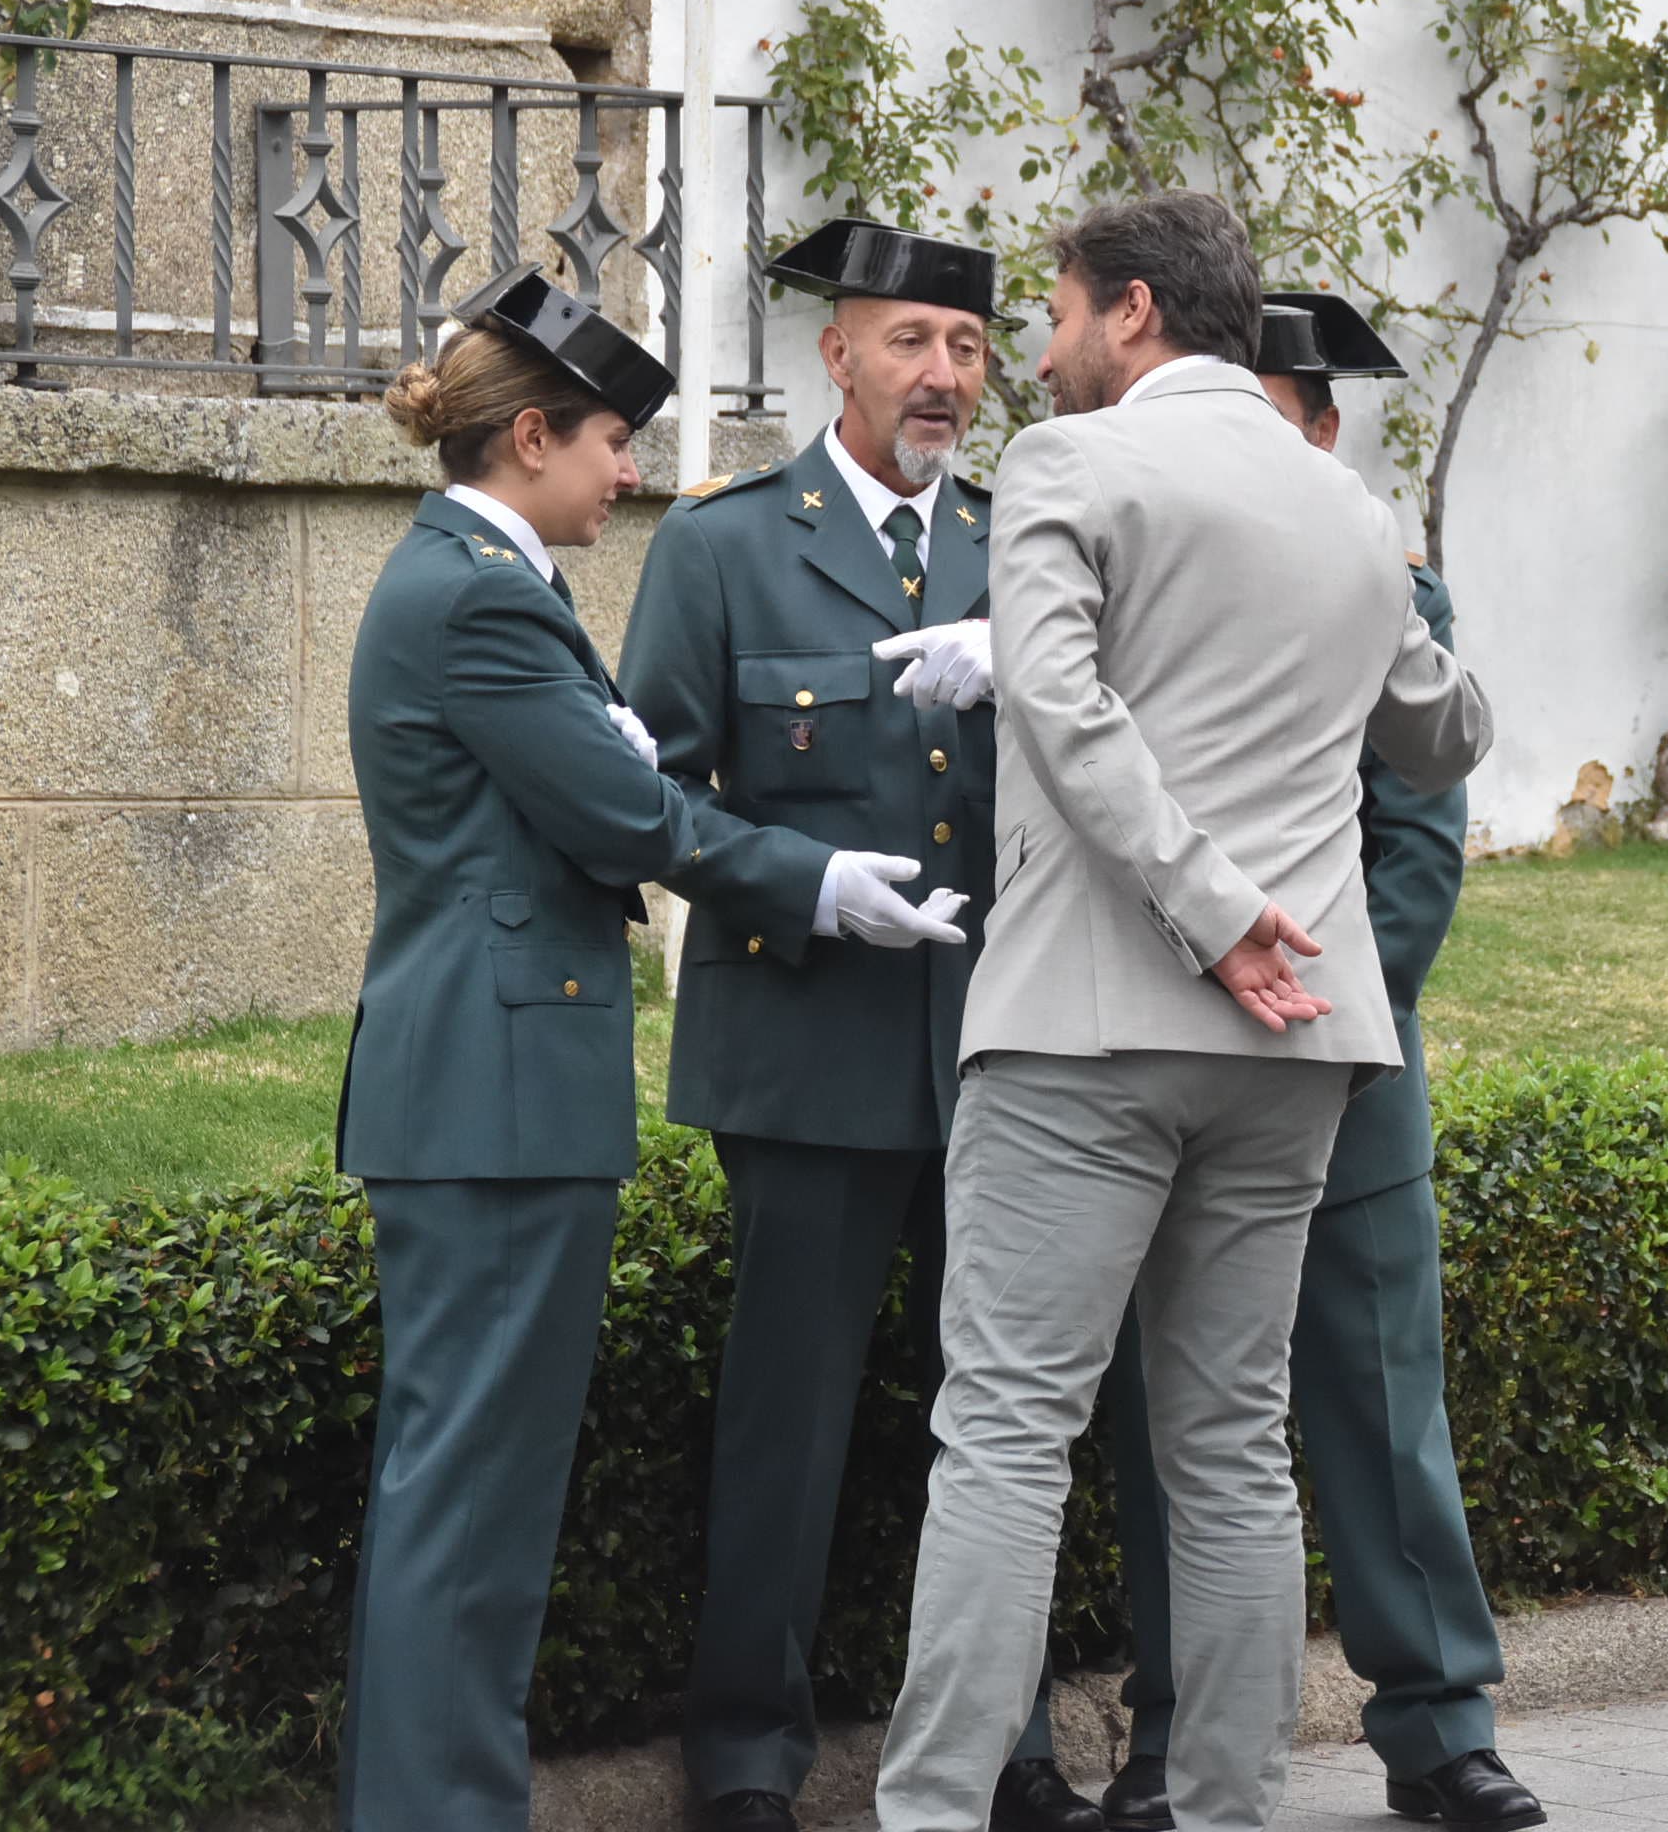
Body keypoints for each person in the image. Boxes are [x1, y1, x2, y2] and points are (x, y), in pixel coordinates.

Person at [866, 191, 1495, 1832]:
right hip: (1301, 1041)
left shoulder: (1075, 469)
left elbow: (1062, 713)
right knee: (1230, 1450)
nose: (1046, 351)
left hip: (1092, 1019)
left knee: (1006, 1434)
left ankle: (931, 1818)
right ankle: (1227, 1813)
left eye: (1061, 317)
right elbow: (1447, 736)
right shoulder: (1348, 507)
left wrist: (1210, 913)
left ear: (1134, 313)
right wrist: (1382, 602)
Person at [613, 218, 1091, 1832]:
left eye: (965, 349)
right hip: (809, 1046)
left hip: (1004, 1055)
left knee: (1004, 1423)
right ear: (838, 355)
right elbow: (650, 793)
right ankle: (749, 1754)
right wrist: (801, 886)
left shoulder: (1033, 540)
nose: (943, 377)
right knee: (788, 1422)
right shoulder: (727, 545)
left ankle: (1010, 1748)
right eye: (910, 344)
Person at [1058, 295, 1544, 1832]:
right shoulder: (1133, 568)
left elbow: (1416, 855)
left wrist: (1326, 1019)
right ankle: (1177, 1727)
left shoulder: (1390, 588)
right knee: (1177, 1416)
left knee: (1384, 1404)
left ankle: (1440, 1721)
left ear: (1323, 434)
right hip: (1167, 1035)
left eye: (1271, 419)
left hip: (1341, 1054)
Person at [336, 265, 691, 1832]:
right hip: (493, 1101)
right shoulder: (480, 590)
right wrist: (820, 882)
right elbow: (624, 816)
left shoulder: (482, 576)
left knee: (465, 1503)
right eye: (616, 441)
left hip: (482, 1094)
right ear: (532, 437)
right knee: (470, 1511)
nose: (632, 474)